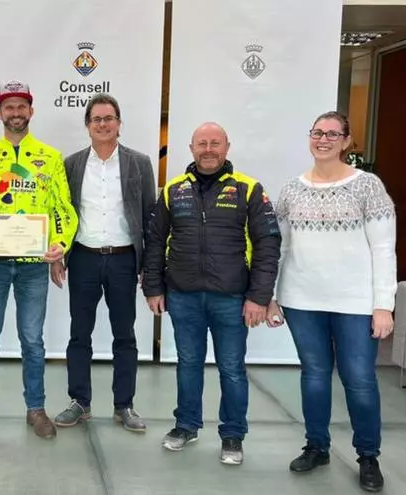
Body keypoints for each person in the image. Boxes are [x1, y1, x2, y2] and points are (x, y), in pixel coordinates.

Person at [267, 111, 396, 492]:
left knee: (359, 379)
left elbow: (384, 249)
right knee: (314, 376)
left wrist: (383, 304)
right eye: (317, 133)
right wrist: (272, 296)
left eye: (332, 134)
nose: (323, 139)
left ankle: (368, 456)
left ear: (346, 141)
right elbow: (279, 248)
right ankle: (316, 446)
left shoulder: (368, 186)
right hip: (301, 300)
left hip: (356, 303)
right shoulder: (291, 190)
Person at [142, 122, 280, 465]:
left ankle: (232, 435)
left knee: (232, 368)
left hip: (231, 298)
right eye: (201, 143)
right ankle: (186, 425)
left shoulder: (249, 189)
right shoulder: (173, 189)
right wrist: (153, 287)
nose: (208, 149)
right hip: (183, 296)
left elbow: (267, 245)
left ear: (227, 147)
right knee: (188, 364)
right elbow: (155, 241)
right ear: (191, 148)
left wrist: (259, 297)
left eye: (215, 143)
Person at [0, 80, 78, 439]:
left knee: (32, 339)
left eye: (22, 106)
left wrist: (60, 243)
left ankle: (36, 409)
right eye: (9, 107)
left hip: (33, 266)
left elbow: (62, 207)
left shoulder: (50, 158)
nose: (16, 112)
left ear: (31, 111)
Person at [50, 93, 156, 432]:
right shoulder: (72, 164)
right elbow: (61, 214)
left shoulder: (140, 163)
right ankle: (79, 401)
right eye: (96, 119)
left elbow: (150, 216)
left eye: (109, 118)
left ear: (119, 123)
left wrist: (148, 264)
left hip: (124, 260)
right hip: (83, 258)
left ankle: (124, 405)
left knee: (125, 335)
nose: (103, 124)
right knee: (79, 333)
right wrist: (58, 255)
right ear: (87, 125)